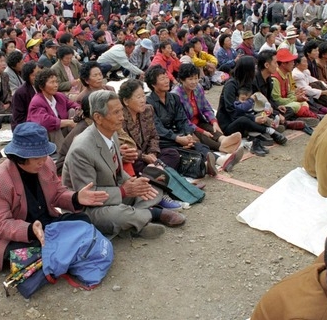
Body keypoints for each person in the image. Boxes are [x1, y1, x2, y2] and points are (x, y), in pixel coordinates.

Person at [0, 122, 108, 271]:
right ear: (20, 156)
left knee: (82, 219)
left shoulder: (47, 163)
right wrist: (30, 229)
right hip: (21, 233)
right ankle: (63, 251)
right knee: (30, 249)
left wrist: (75, 198)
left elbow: (57, 194)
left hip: (46, 224)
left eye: (45, 154)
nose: (43, 160)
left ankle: (60, 252)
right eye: (37, 156)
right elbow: (0, 223)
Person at [62, 90, 185, 239]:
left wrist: (132, 182)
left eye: (121, 110)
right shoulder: (81, 149)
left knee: (153, 185)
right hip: (90, 207)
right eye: (116, 113)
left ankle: (136, 220)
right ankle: (151, 214)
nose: (122, 117)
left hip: (113, 193)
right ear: (98, 117)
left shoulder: (111, 132)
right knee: (117, 215)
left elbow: (117, 171)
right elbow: (89, 196)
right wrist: (124, 191)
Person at [145, 65, 217, 176]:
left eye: (166, 77)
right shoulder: (149, 103)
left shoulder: (174, 98)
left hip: (176, 134)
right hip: (162, 138)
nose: (167, 81)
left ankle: (217, 161)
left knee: (196, 144)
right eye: (162, 79)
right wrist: (178, 138)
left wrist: (187, 135)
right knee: (177, 150)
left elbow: (182, 120)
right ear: (153, 84)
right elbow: (157, 128)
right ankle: (204, 166)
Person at [172, 63, 245, 171]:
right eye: (190, 79)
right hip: (184, 126)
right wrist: (201, 131)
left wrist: (214, 121)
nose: (194, 82)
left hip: (198, 120)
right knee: (201, 134)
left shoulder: (198, 88)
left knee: (210, 127)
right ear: (182, 80)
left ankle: (224, 140)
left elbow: (206, 106)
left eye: (196, 78)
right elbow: (183, 120)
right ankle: (222, 147)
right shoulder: (176, 95)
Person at [118, 79, 180, 175]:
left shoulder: (148, 110)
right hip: (136, 158)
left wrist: (152, 154)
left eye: (143, 96)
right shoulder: (120, 117)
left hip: (149, 155)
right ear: (126, 101)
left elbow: (154, 136)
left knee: (172, 154)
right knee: (133, 164)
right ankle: (159, 174)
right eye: (138, 97)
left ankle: (155, 174)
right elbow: (124, 146)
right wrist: (143, 157)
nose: (143, 100)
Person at [26, 69, 80, 149]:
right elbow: (45, 121)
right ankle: (62, 152)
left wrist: (78, 110)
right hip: (44, 136)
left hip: (62, 131)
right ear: (41, 86)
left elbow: (73, 105)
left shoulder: (59, 96)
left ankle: (76, 145)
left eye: (56, 82)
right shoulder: (37, 101)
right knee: (53, 127)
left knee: (72, 111)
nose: (56, 85)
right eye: (52, 82)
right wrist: (69, 122)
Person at [11, 61, 41, 130]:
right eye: (34, 75)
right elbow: (18, 118)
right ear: (27, 76)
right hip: (25, 126)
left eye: (39, 74)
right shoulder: (21, 93)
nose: (37, 77)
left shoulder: (42, 87)